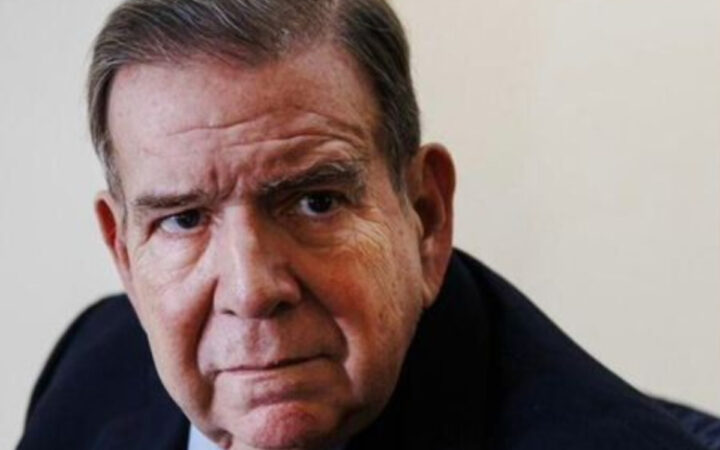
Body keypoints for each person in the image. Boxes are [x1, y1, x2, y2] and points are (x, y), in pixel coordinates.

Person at [16, 1, 720, 449]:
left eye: (314, 202)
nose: (251, 290)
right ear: (124, 252)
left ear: (425, 219)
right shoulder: (93, 367)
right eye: (184, 219)